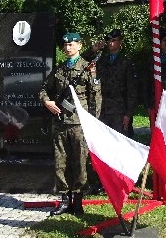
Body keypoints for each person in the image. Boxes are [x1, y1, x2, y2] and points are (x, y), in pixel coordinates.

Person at [39, 31, 101, 216]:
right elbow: (44, 89)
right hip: (60, 123)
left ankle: (78, 201)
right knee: (61, 163)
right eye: (65, 45)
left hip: (79, 124)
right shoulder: (59, 69)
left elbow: (95, 97)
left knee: (80, 163)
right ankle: (65, 200)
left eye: (71, 44)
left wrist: (93, 122)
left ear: (79, 45)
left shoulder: (87, 67)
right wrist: (47, 102)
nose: (68, 48)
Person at [83, 28, 137, 136]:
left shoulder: (126, 62)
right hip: (102, 108)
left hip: (119, 110)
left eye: (114, 40)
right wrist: (93, 49)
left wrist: (128, 114)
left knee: (120, 140)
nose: (110, 43)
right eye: (108, 41)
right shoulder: (101, 59)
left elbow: (132, 90)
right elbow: (81, 62)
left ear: (120, 42)